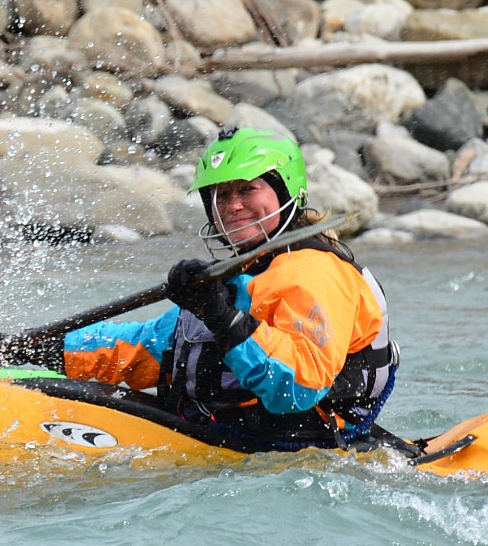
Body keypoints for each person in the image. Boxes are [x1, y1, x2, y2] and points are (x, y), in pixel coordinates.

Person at [52, 128, 398, 450]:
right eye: (220, 194)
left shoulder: (314, 271)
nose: (232, 206)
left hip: (300, 447)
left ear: (285, 191)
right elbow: (151, 347)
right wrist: (53, 352)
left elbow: (297, 388)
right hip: (232, 434)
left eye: (246, 189)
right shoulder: (244, 273)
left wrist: (223, 318)